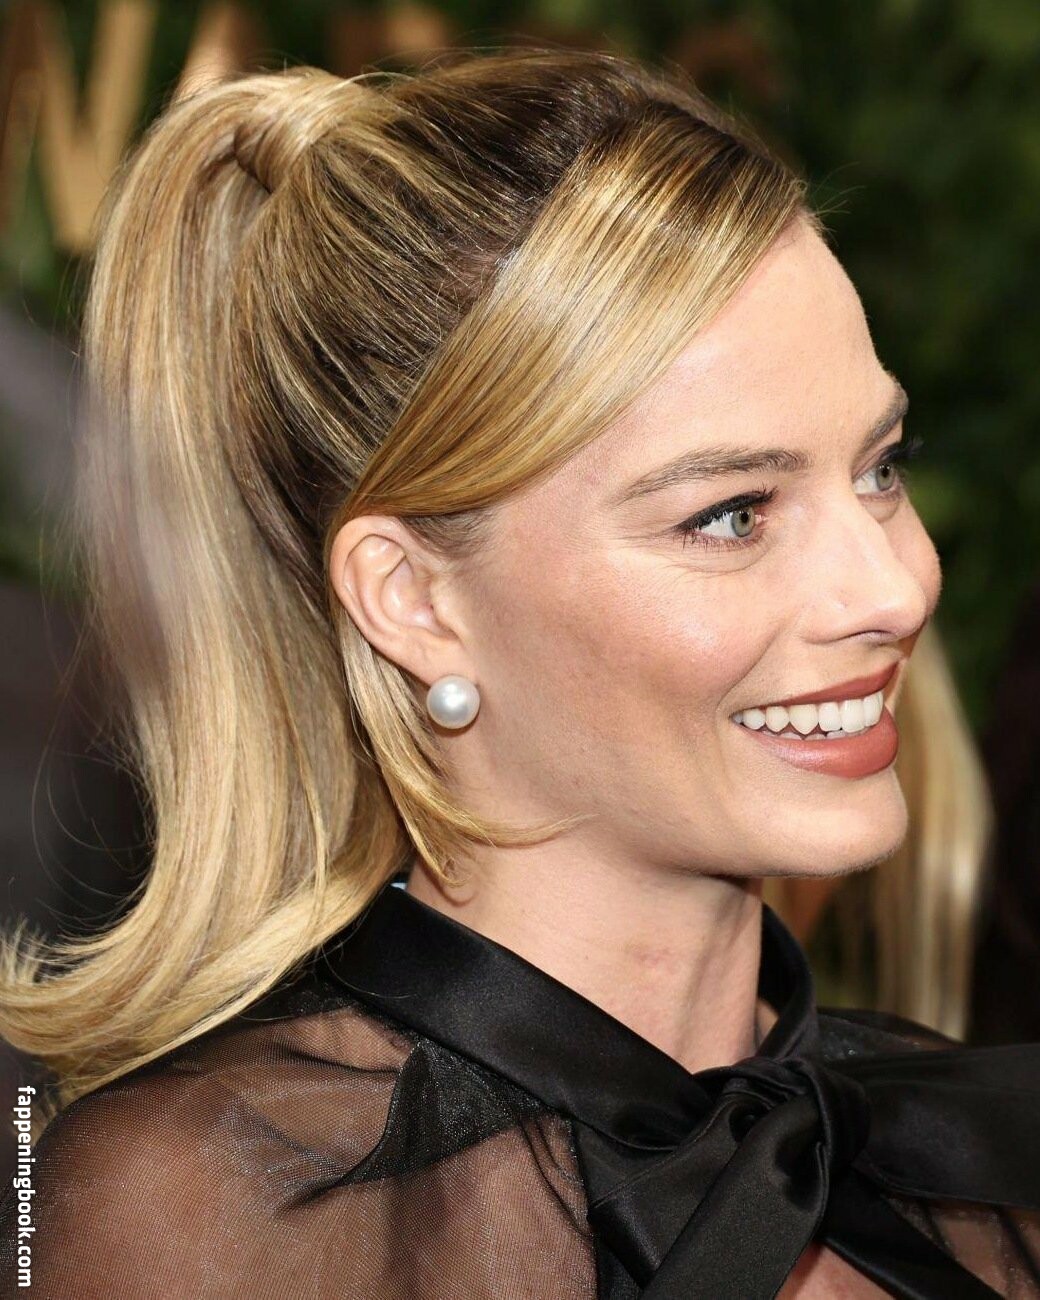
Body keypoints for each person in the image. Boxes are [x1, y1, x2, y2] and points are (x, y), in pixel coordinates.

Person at [1, 46, 1039, 1300]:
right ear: (414, 599)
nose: (891, 587)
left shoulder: (964, 1158)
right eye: (729, 515)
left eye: (878, 467)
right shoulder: (204, 1216)